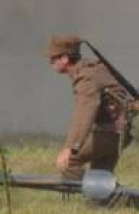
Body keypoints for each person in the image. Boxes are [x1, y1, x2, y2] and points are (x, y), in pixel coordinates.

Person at [46, 34, 130, 180]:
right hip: (117, 132)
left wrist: (70, 148)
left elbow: (84, 115)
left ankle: (87, 191)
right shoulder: (91, 69)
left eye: (53, 58)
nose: (50, 62)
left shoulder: (87, 78)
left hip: (110, 133)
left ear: (65, 59)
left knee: (69, 162)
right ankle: (107, 199)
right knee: (100, 176)